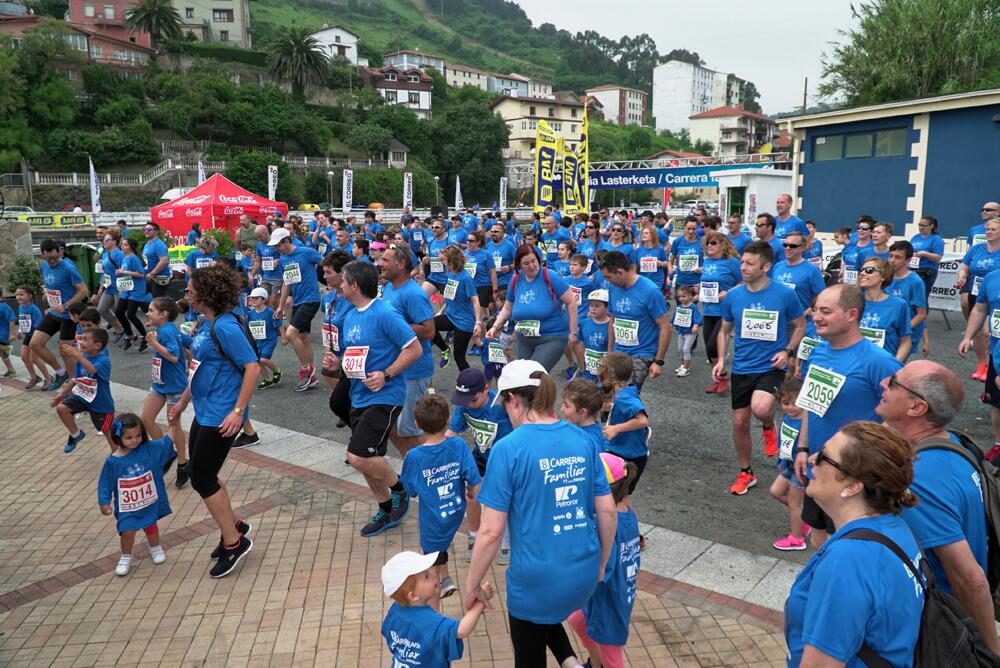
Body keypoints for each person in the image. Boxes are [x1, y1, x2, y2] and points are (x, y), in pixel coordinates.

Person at [464, 360, 617, 668]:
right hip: (583, 572)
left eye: (504, 403)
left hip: (535, 580)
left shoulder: (508, 449)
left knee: (530, 647)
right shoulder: (583, 440)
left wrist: (472, 586)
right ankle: (571, 662)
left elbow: (492, 533)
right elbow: (607, 510)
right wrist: (600, 565)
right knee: (546, 615)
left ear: (514, 400)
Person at [876, 360, 999, 653]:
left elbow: (968, 578)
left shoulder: (920, 478)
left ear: (917, 408)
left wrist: (990, 652)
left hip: (935, 624)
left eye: (893, 383)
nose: (883, 384)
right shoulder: (953, 443)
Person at [784, 422, 923, 667]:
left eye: (825, 456)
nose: (813, 458)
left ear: (852, 486)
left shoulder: (849, 559)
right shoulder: (894, 527)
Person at [167, 263, 260, 578]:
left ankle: (234, 542)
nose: (187, 292)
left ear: (206, 294)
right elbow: (198, 368)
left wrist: (238, 412)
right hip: (204, 410)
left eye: (191, 289)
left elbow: (253, 367)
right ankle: (233, 525)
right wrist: (181, 402)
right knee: (202, 473)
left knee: (202, 478)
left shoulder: (225, 327)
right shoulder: (206, 323)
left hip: (222, 415)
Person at [795, 285, 902, 548]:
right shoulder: (818, 351)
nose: (816, 316)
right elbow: (811, 404)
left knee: (845, 544)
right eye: (816, 309)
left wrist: (866, 459)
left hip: (852, 477)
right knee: (817, 537)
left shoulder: (879, 361)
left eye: (826, 311)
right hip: (818, 467)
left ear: (852, 314)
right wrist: (803, 447)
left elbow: (901, 418)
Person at [321, 261, 422, 538]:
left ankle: (400, 489)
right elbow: (354, 357)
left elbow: (414, 349)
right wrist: (336, 363)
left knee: (357, 455)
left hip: (385, 396)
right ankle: (386, 507)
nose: (339, 286)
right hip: (359, 395)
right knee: (366, 456)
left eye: (343, 281)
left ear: (354, 286)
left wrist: (386, 375)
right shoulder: (351, 315)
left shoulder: (385, 313)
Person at [713, 241, 805, 495]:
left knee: (762, 407)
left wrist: (788, 352)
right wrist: (721, 359)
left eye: (749, 263)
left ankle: (768, 425)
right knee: (740, 422)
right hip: (742, 365)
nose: (742, 267)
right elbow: (724, 329)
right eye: (742, 262)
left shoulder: (784, 294)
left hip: (771, 365)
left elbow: (800, 324)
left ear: (765, 267)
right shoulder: (733, 296)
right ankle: (746, 472)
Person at [399, 394, 481, 602]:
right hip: (455, 512)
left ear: (417, 424)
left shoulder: (415, 457)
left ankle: (436, 606)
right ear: (448, 420)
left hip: (434, 519)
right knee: (441, 546)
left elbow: (410, 490)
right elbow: (473, 479)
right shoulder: (459, 445)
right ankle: (446, 579)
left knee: (430, 569)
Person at [567, 452, 640, 668]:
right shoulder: (626, 509)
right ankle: (595, 663)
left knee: (613, 659)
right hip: (617, 591)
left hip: (608, 600)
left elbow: (604, 567)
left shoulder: (605, 525)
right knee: (577, 620)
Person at [446, 367, 514, 563]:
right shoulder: (464, 405)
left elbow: (522, 428)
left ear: (486, 388)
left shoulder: (501, 405)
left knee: (503, 500)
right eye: (464, 401)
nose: (469, 405)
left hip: (504, 459)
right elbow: (451, 435)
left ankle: (507, 544)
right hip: (481, 457)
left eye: (473, 400)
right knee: (472, 497)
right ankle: (474, 537)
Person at [381, 551, 494, 666]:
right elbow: (461, 630)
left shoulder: (394, 612)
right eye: (426, 576)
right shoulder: (429, 622)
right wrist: (479, 603)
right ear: (413, 596)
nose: (434, 575)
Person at [97, 413, 175, 576]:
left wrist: (174, 425)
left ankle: (155, 547)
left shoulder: (148, 449)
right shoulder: (113, 461)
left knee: (151, 526)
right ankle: (125, 556)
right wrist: (104, 502)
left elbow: (165, 444)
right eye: (129, 437)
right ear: (118, 438)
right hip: (128, 506)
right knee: (127, 531)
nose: (135, 440)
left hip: (148, 502)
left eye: (138, 435)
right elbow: (105, 482)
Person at [379, 245, 436, 456]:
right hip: (397, 369)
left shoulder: (413, 293)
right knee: (396, 426)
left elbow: (429, 331)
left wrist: (393, 326)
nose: (380, 263)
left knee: (410, 430)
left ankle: (430, 471)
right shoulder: (388, 288)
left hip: (414, 370)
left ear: (401, 264)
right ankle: (413, 469)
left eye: (385, 260)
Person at [487, 245, 579, 372]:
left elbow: (571, 302)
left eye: (533, 261)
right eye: (526, 263)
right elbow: (507, 308)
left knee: (533, 375)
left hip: (552, 336)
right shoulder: (515, 281)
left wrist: (573, 332)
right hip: (525, 338)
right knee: (523, 377)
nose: (531, 266)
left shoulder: (550, 276)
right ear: (519, 265)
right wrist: (494, 327)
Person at [599, 251, 672, 392]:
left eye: (608, 277)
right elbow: (613, 321)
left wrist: (658, 361)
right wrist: (609, 352)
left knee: (626, 393)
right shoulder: (613, 289)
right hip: (619, 351)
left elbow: (665, 327)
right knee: (606, 392)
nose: (607, 281)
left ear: (620, 272)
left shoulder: (650, 291)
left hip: (642, 353)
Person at [140, 297, 190, 488]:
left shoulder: (167, 332)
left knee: (173, 424)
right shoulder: (167, 330)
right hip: (159, 383)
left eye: (151, 310)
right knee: (146, 419)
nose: (147, 313)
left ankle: (183, 464)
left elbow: (173, 356)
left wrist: (154, 344)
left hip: (175, 386)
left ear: (164, 314)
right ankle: (167, 452)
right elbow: (186, 341)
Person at [271, 227, 324, 392]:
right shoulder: (284, 258)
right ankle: (311, 377)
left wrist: (332, 284)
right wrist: (280, 306)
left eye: (278, 245)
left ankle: (307, 369)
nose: (276, 249)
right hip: (298, 301)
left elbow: (325, 263)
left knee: (290, 333)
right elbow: (287, 282)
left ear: (287, 241)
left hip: (311, 299)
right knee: (304, 337)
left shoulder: (306, 252)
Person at [33, 239, 89, 392]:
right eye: (49, 258)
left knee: (64, 351)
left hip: (67, 315)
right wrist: (46, 292)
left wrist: (65, 305)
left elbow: (84, 291)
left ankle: (74, 387)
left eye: (55, 257)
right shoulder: (44, 266)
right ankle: (60, 372)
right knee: (35, 344)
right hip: (53, 313)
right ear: (43, 255)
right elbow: (49, 284)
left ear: (59, 253)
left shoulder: (68, 268)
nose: (52, 261)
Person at [50, 327, 115, 453]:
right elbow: (75, 379)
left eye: (85, 340)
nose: (81, 342)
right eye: (81, 339)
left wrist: (78, 356)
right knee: (62, 408)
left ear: (97, 345)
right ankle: (76, 435)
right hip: (83, 397)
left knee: (108, 434)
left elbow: (92, 370)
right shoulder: (83, 357)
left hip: (101, 404)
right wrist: (62, 395)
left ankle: (119, 458)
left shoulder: (103, 360)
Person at [959, 264, 1000, 460]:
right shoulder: (992, 278)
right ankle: (999, 445)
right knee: (997, 403)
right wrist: (968, 336)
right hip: (997, 355)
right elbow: (980, 309)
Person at [599, 352, 650, 495]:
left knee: (616, 497)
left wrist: (616, 429)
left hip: (626, 455)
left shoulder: (624, 397)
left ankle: (620, 517)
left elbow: (642, 421)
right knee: (619, 497)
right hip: (625, 451)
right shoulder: (626, 390)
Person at [956, 217, 1000, 381]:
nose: (988, 231)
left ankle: (994, 363)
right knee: (979, 331)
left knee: (988, 331)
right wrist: (962, 276)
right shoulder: (977, 249)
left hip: (996, 295)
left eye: (993, 229)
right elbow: (965, 266)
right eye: (987, 229)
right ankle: (983, 363)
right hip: (979, 291)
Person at [769, 376, 809, 551]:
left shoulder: (806, 423)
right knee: (775, 492)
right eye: (786, 403)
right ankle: (803, 519)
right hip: (788, 464)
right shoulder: (787, 418)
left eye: (795, 403)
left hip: (799, 468)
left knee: (794, 504)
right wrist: (781, 458)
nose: (790, 407)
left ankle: (797, 538)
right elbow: (784, 439)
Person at [700, 232, 742, 393]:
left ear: (722, 245)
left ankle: (722, 375)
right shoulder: (707, 262)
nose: (710, 245)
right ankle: (719, 378)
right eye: (708, 242)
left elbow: (743, 282)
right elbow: (706, 284)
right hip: (708, 309)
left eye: (714, 243)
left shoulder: (731, 262)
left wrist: (729, 292)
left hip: (725, 310)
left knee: (713, 345)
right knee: (709, 349)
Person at [431, 246, 483, 372]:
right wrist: (440, 311)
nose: (442, 262)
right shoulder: (450, 274)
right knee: (429, 326)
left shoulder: (465, 278)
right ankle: (445, 349)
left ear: (452, 260)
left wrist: (477, 322)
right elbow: (450, 297)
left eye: (444, 260)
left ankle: (469, 383)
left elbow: (475, 300)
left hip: (464, 322)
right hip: (450, 316)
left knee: (459, 357)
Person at [858, 258, 912, 361]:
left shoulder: (898, 305)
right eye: (861, 270)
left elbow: (905, 341)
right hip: (857, 364)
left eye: (869, 270)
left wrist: (894, 366)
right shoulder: (853, 302)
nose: (863, 273)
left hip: (884, 365)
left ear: (883, 276)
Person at [886, 240, 928, 358]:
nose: (892, 260)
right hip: (887, 330)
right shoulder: (885, 277)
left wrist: (903, 330)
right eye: (891, 256)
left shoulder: (915, 282)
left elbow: (921, 314)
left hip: (904, 334)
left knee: (894, 368)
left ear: (908, 260)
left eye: (898, 257)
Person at [772, 231, 826, 314]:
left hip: (804, 323)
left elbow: (822, 297)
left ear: (803, 248)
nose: (788, 248)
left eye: (793, 246)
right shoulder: (777, 267)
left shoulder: (812, 270)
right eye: (785, 245)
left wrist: (804, 314)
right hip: (780, 320)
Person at [114, 236, 151, 352]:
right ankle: (130, 335)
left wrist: (124, 271)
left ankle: (145, 337)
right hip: (127, 289)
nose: (122, 247)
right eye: (122, 245)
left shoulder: (134, 258)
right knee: (119, 312)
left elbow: (141, 274)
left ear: (131, 247)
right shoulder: (125, 258)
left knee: (131, 314)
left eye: (125, 245)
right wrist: (120, 278)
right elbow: (126, 275)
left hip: (137, 289)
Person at [246, 287, 285, 391]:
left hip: (269, 340)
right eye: (252, 298)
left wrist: (284, 337)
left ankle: (277, 371)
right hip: (257, 341)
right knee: (258, 361)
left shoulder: (269, 312)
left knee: (263, 359)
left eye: (256, 298)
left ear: (264, 300)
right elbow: (248, 328)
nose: (253, 300)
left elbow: (279, 325)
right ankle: (267, 379)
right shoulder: (250, 314)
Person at [15, 285, 52, 390]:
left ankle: (49, 379)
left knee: (34, 359)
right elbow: (23, 322)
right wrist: (20, 331)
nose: (18, 297)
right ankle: (34, 377)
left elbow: (39, 324)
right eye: (17, 295)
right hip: (28, 336)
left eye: (21, 294)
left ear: (29, 296)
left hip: (36, 337)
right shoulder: (20, 307)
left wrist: (33, 333)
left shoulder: (34, 309)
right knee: (24, 357)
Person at [93, 230, 126, 341]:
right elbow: (106, 273)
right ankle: (119, 330)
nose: (104, 241)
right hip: (109, 288)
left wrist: (122, 290)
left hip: (119, 288)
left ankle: (130, 333)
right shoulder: (107, 254)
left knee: (119, 312)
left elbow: (124, 272)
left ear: (115, 241)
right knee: (101, 309)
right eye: (104, 239)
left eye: (107, 239)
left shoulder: (119, 254)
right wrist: (102, 287)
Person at [576, 289, 611, 383]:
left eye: (597, 306)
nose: (593, 308)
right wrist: (582, 366)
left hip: (606, 372)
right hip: (588, 370)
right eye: (591, 305)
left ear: (607, 307)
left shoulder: (612, 325)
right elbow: (582, 345)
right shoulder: (584, 323)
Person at [909, 215, 944, 299]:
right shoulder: (915, 237)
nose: (921, 227)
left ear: (931, 226)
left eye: (924, 225)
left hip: (927, 271)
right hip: (912, 268)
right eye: (920, 225)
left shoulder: (936, 239)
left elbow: (938, 258)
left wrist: (924, 254)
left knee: (921, 297)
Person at [672, 284, 702, 377]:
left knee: (686, 349)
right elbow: (674, 317)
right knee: (680, 349)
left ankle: (686, 368)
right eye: (679, 297)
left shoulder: (692, 307)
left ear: (690, 296)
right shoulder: (679, 307)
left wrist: (696, 326)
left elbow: (697, 317)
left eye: (683, 296)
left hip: (690, 332)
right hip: (681, 331)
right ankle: (682, 365)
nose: (681, 299)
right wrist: (671, 324)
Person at [464, 230, 498, 309]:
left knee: (478, 313)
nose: (468, 242)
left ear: (478, 242)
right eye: (467, 240)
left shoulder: (486, 254)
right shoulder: (465, 253)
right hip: (470, 287)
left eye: (471, 241)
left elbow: (492, 273)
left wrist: (495, 290)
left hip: (483, 287)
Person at [252, 225, 284, 308]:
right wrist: (252, 275)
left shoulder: (275, 243)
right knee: (263, 299)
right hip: (265, 276)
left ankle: (278, 316)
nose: (259, 239)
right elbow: (258, 261)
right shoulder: (259, 245)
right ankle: (270, 316)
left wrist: (277, 261)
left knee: (274, 299)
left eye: (260, 236)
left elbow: (284, 255)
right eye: (257, 237)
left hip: (277, 275)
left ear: (266, 233)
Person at [839, 217, 875, 285]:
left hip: (865, 286)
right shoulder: (849, 246)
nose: (860, 230)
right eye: (859, 228)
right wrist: (842, 275)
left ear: (871, 232)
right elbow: (844, 263)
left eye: (864, 229)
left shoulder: (874, 248)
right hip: (847, 286)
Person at [670, 218, 703, 290]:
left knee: (693, 301)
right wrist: (670, 268)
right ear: (684, 227)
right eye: (689, 228)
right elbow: (671, 258)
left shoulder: (702, 242)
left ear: (697, 228)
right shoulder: (677, 241)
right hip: (681, 282)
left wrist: (702, 268)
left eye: (694, 229)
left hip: (696, 282)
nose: (691, 231)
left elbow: (708, 260)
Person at [142, 223, 172, 299]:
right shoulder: (147, 244)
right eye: (145, 229)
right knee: (138, 296)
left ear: (156, 232)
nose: (146, 231)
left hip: (159, 278)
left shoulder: (159, 244)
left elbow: (164, 261)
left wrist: (152, 273)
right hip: (149, 278)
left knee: (159, 303)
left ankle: (173, 306)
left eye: (149, 229)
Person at [422, 218, 450, 297]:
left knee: (444, 307)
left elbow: (455, 261)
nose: (434, 229)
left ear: (444, 229)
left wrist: (444, 259)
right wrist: (426, 260)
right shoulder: (431, 242)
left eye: (437, 227)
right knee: (420, 297)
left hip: (446, 279)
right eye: (432, 227)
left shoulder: (449, 242)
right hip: (433, 277)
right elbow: (430, 259)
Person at [487, 221, 518, 290]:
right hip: (491, 281)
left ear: (503, 233)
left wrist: (509, 267)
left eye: (496, 232)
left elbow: (518, 262)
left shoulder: (509, 246)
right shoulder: (488, 246)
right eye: (491, 232)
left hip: (505, 280)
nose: (493, 234)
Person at [0, 298, 14, 377]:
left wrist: (11, 334)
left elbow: (11, 320)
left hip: (3, 332)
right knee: (1, 353)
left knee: (2, 351)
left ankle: (7, 348)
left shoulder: (4, 306)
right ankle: (11, 370)